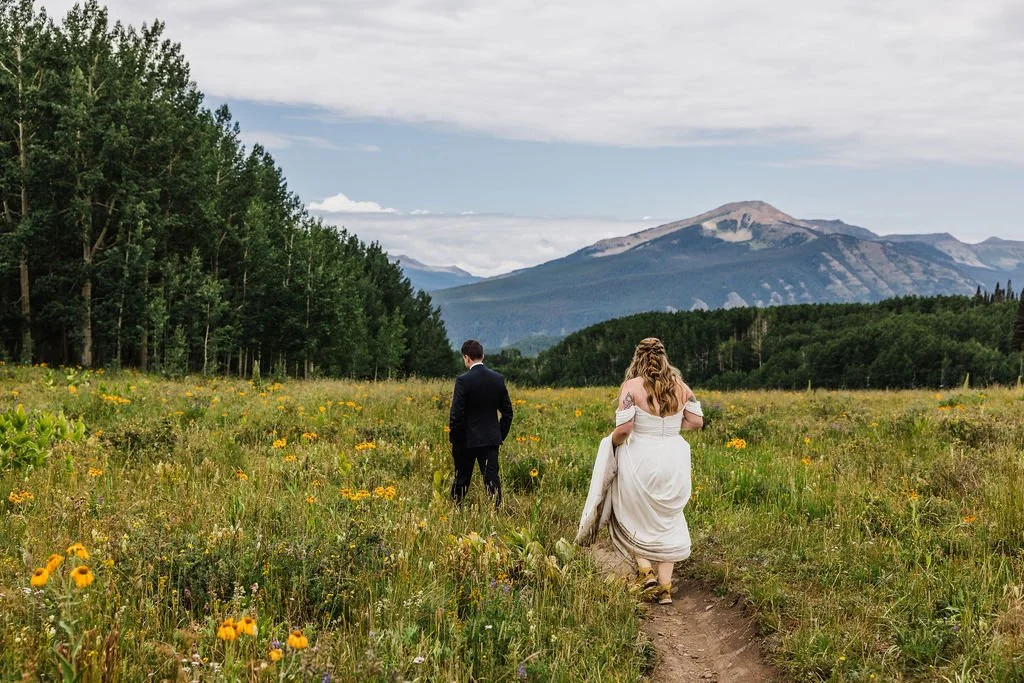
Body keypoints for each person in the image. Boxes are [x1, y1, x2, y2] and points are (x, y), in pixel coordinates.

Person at [576, 337, 702, 605]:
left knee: (631, 513)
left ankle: (645, 571)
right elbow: (697, 421)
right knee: (668, 519)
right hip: (674, 458)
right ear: (664, 357)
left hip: (642, 457)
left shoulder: (631, 387)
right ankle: (666, 588)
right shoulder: (681, 387)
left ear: (638, 358)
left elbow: (624, 429)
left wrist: (610, 445)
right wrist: (671, 428)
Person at [448, 339, 514, 508]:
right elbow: (507, 413)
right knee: (492, 481)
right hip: (490, 439)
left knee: (461, 479)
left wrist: (456, 439)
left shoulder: (463, 381)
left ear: (466, 358)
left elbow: (456, 415)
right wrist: (499, 435)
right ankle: (495, 512)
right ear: (482, 356)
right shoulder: (497, 379)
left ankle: (456, 511)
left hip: (466, 440)